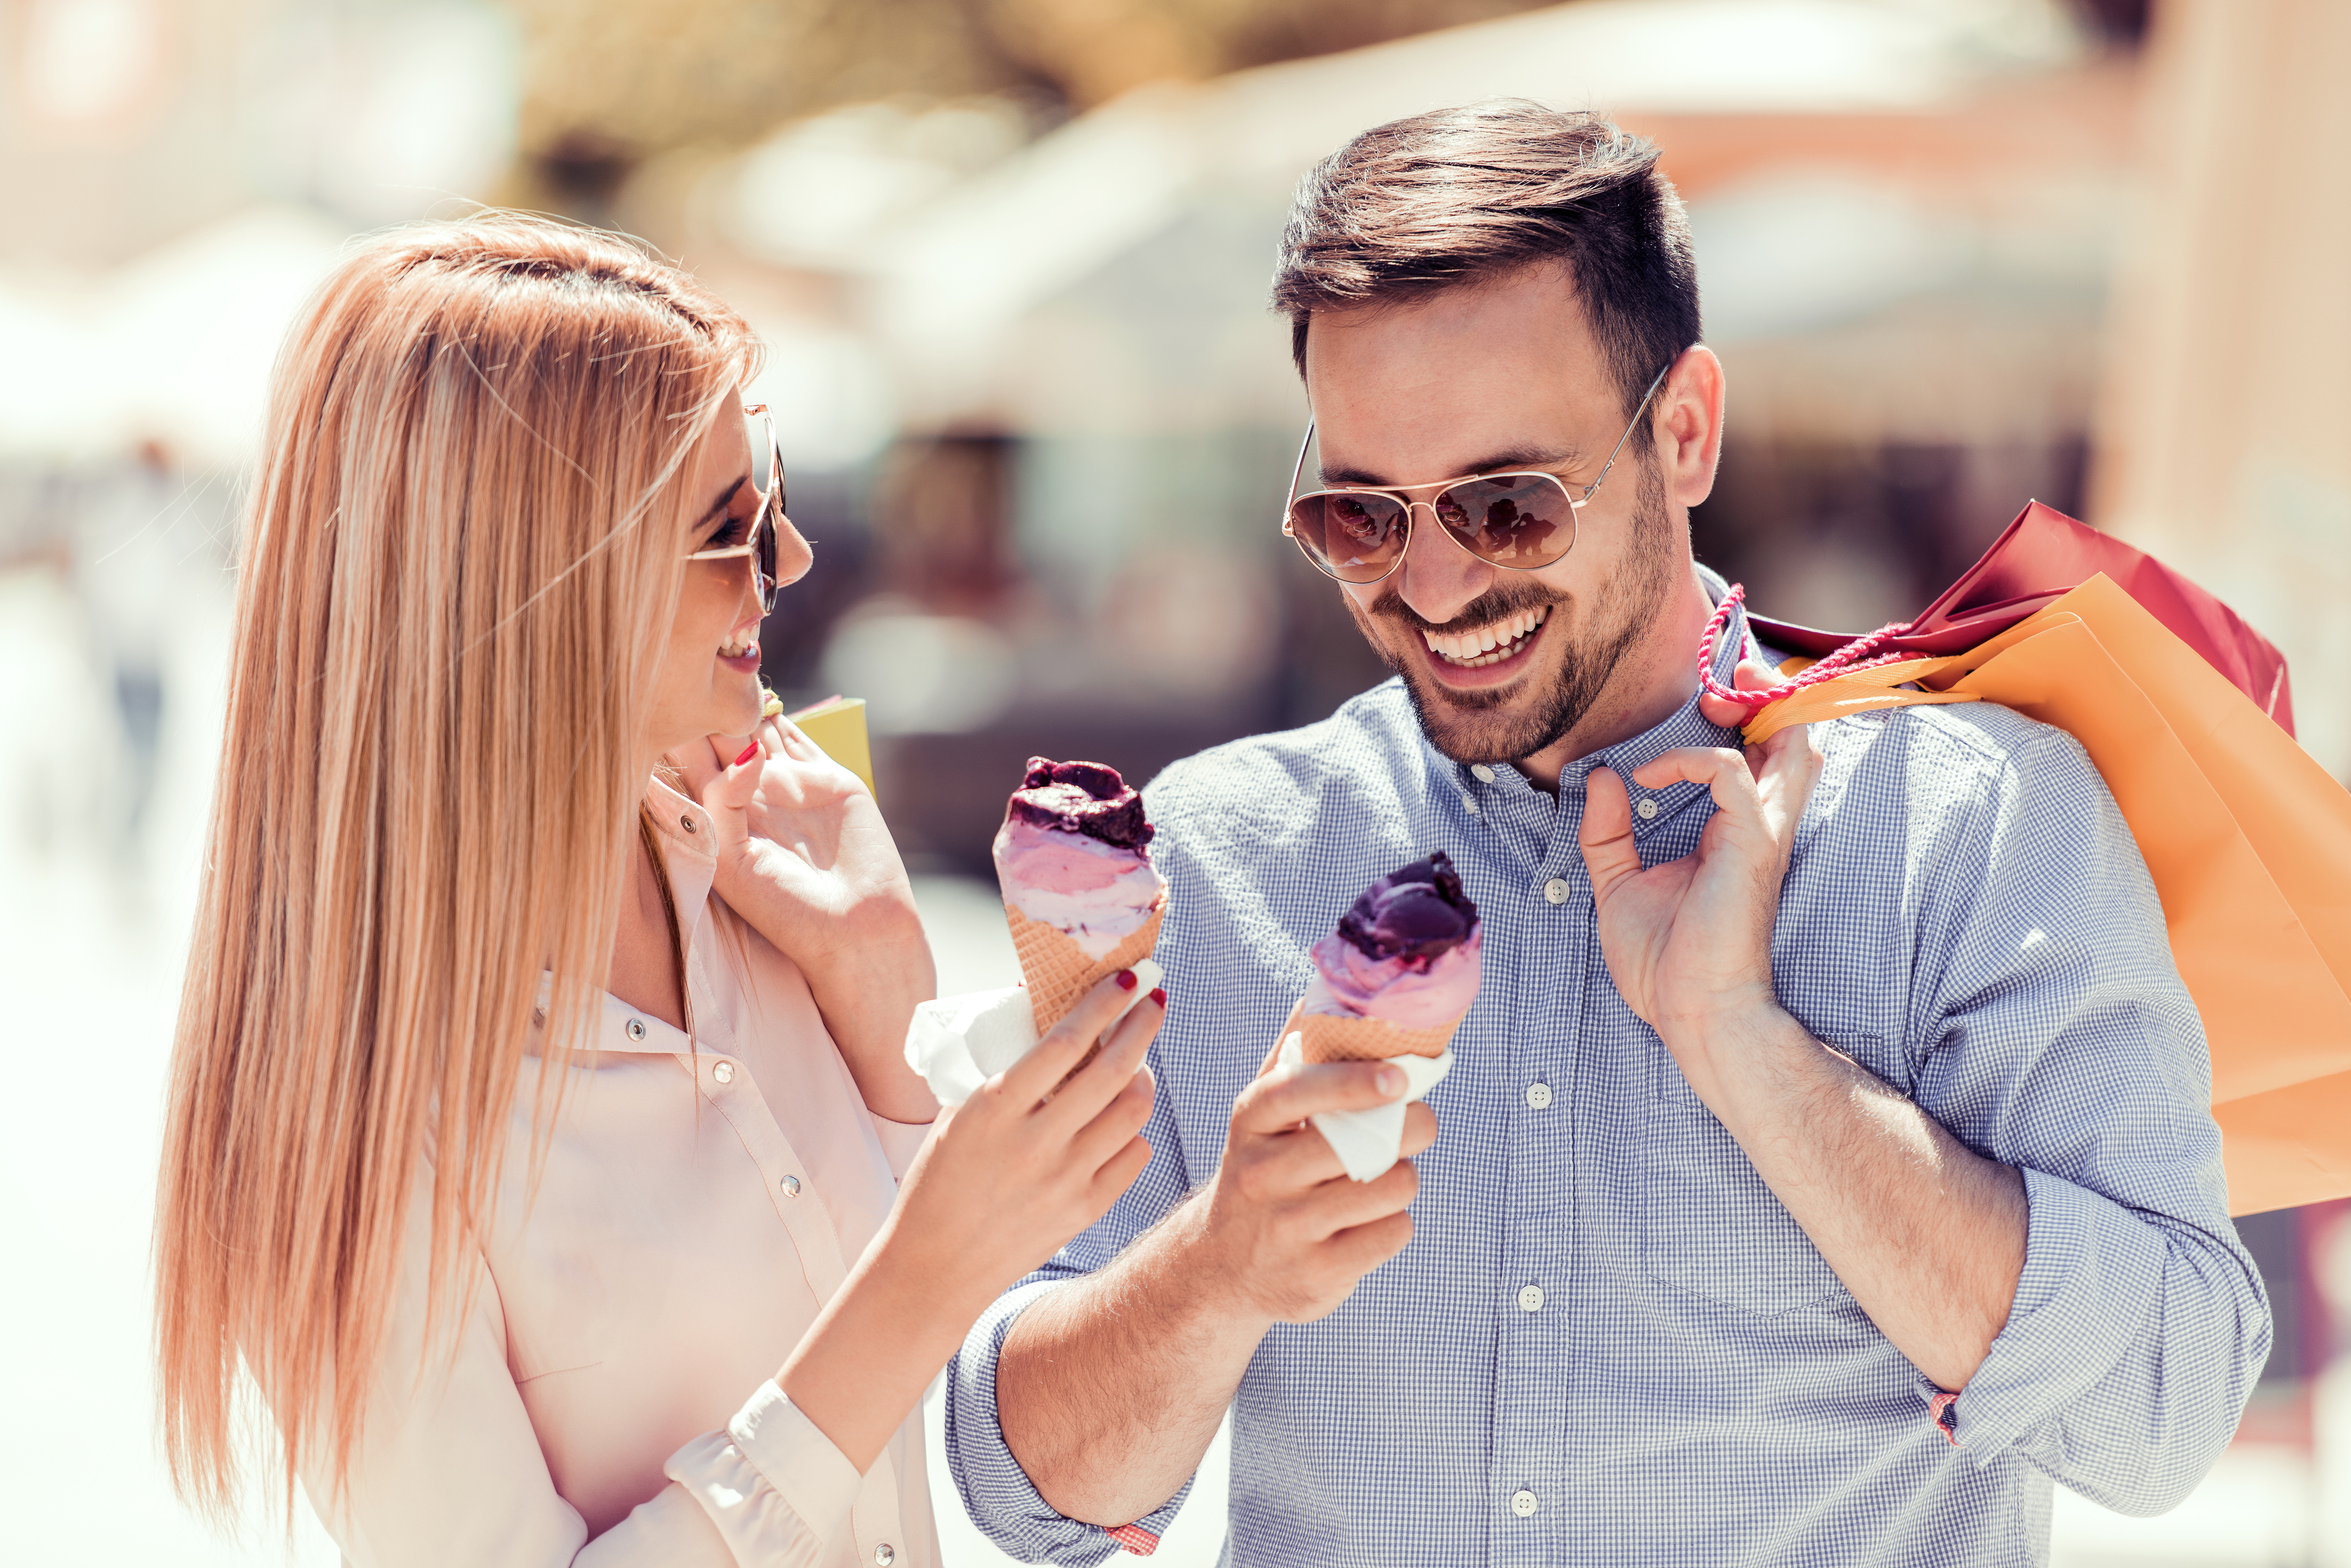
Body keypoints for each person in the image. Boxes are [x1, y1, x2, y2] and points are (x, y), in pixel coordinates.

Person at [945, 102, 2269, 1565]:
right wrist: (1215, 1268)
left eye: (1508, 505)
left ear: (1686, 430)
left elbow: (2164, 1416)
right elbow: (1024, 1497)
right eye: (1361, 517)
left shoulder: (1972, 826)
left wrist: (1750, 1050)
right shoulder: (1218, 856)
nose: (1436, 587)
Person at [152, 215, 1161, 1568]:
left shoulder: (777, 861)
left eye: (774, 499)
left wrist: (887, 1009)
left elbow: (957, 1440)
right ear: (528, 586)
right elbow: (900, 1315)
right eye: (727, 529)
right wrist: (911, 1288)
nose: (791, 561)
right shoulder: (339, 1103)